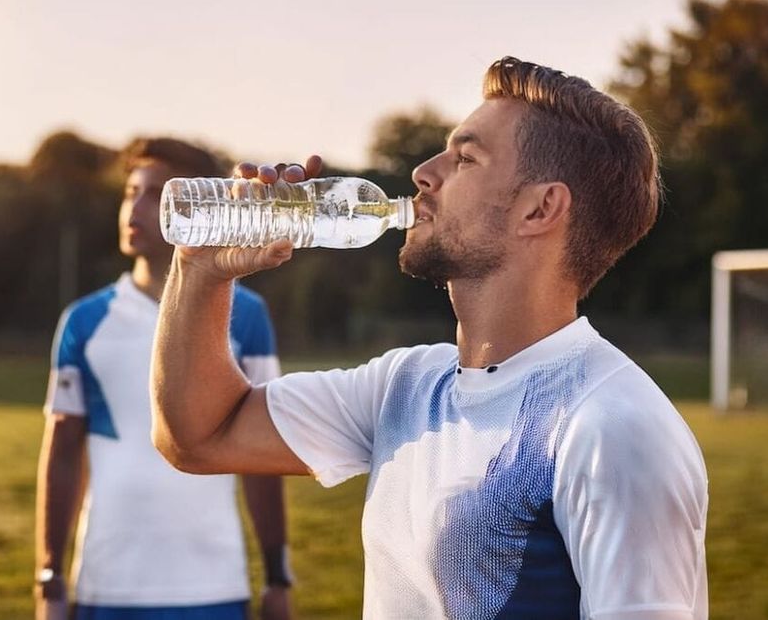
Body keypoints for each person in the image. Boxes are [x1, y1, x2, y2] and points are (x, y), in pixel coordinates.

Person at [150, 58, 709, 618]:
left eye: (466, 158)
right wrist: (200, 270)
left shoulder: (612, 426)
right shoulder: (407, 385)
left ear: (540, 208)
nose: (423, 173)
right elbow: (199, 436)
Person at [35, 137, 294, 620]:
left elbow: (262, 456)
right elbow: (62, 452)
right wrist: (49, 576)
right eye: (131, 192)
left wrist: (277, 577)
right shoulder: (84, 321)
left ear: (201, 204)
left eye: (157, 193)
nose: (135, 207)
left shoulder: (247, 315)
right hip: (108, 584)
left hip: (213, 583)